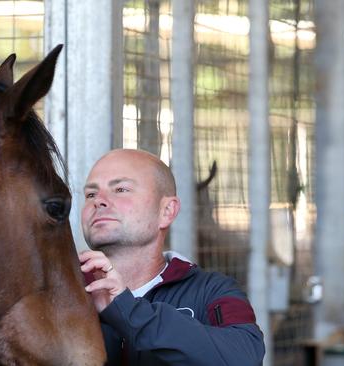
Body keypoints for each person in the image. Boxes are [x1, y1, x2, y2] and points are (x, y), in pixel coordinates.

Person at [78, 149, 265, 365]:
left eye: (121, 189)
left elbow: (244, 358)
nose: (98, 201)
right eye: (91, 194)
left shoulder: (211, 291)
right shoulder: (63, 289)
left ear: (167, 210)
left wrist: (128, 311)